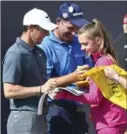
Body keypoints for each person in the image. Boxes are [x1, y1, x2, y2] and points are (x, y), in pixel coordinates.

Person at [55, 18, 127, 134]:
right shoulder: (107, 58)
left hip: (108, 123)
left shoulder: (102, 62)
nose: (82, 48)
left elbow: (94, 98)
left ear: (98, 40)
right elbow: (104, 92)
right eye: (80, 44)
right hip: (113, 120)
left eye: (85, 44)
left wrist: (64, 94)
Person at [39, 2, 94, 134]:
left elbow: (91, 69)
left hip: (79, 107)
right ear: (58, 22)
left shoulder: (79, 41)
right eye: (71, 27)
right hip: (56, 108)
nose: (74, 31)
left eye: (77, 27)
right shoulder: (45, 46)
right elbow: (43, 83)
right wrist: (73, 77)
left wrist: (89, 77)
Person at [2, 8, 58, 134]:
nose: (48, 34)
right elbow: (9, 91)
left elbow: (42, 83)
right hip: (22, 119)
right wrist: (40, 89)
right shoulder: (15, 53)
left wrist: (50, 90)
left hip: (40, 116)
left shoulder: (40, 52)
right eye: (43, 30)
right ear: (31, 28)